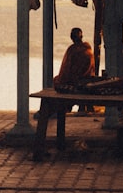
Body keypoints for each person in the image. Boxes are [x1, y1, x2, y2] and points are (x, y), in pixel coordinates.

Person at [34, 27, 96, 160]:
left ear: (72, 38)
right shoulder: (88, 48)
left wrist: (61, 81)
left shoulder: (73, 50)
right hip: (87, 84)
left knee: (56, 86)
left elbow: (66, 71)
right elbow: (90, 70)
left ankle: (51, 117)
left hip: (74, 85)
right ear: (82, 36)